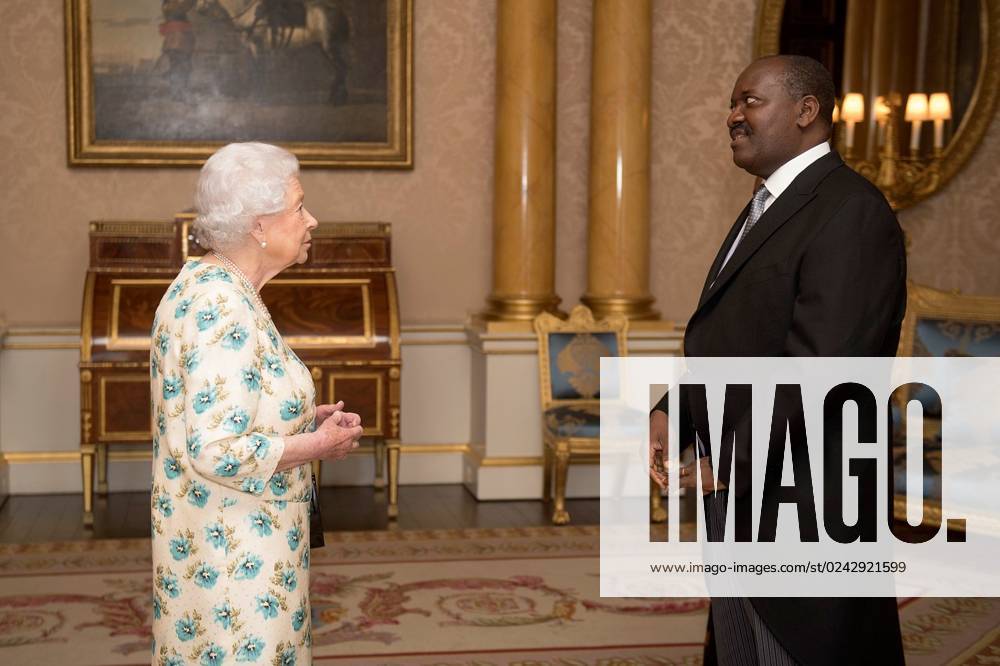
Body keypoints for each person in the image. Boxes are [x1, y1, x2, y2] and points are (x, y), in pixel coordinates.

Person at [648, 56, 907, 665]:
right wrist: (676, 413)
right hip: (745, 480)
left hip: (804, 496)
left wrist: (733, 464)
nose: (732, 116)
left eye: (749, 101)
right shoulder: (771, 203)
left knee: (797, 644)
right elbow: (740, 335)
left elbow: (824, 368)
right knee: (743, 643)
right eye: (734, 104)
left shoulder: (851, 211)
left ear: (806, 111)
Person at [150, 142, 364, 666]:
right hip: (236, 566)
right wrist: (318, 444)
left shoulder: (219, 286)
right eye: (298, 207)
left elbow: (229, 404)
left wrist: (300, 418)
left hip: (232, 545)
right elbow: (218, 448)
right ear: (259, 226)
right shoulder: (219, 306)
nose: (311, 220)